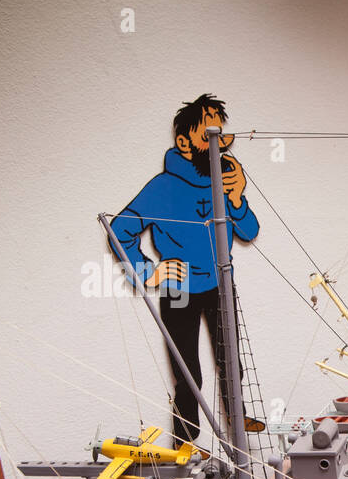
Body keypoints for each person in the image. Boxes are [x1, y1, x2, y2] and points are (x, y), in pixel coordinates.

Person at [109, 94, 260, 447]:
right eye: (207, 135)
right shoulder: (163, 187)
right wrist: (148, 272)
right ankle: (187, 440)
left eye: (220, 135)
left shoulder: (226, 178)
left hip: (221, 284)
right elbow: (120, 229)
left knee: (230, 360)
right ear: (184, 141)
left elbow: (249, 231)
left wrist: (237, 198)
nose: (216, 143)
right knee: (187, 369)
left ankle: (237, 422)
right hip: (179, 290)